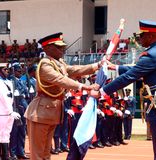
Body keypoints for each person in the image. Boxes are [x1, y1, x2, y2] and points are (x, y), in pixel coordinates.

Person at [91, 20, 156, 160]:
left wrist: (102, 92)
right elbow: (138, 70)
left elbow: (129, 77)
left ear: (150, 37)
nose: (139, 39)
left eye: (142, 36)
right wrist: (115, 67)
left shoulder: (150, 55)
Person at [24, 32, 102, 160]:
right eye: (58, 47)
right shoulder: (45, 64)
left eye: (62, 47)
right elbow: (60, 79)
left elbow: (75, 70)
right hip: (40, 112)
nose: (62, 49)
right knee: (38, 153)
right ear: (47, 48)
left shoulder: (59, 63)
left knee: (45, 153)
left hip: (50, 112)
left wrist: (96, 65)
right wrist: (84, 87)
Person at [0, 63, 21, 160]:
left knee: (6, 133)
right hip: (1, 111)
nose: (7, 71)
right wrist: (10, 111)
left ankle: (5, 155)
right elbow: (3, 97)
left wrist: (11, 111)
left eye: (7, 69)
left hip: (9, 111)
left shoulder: (8, 81)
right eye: (4, 69)